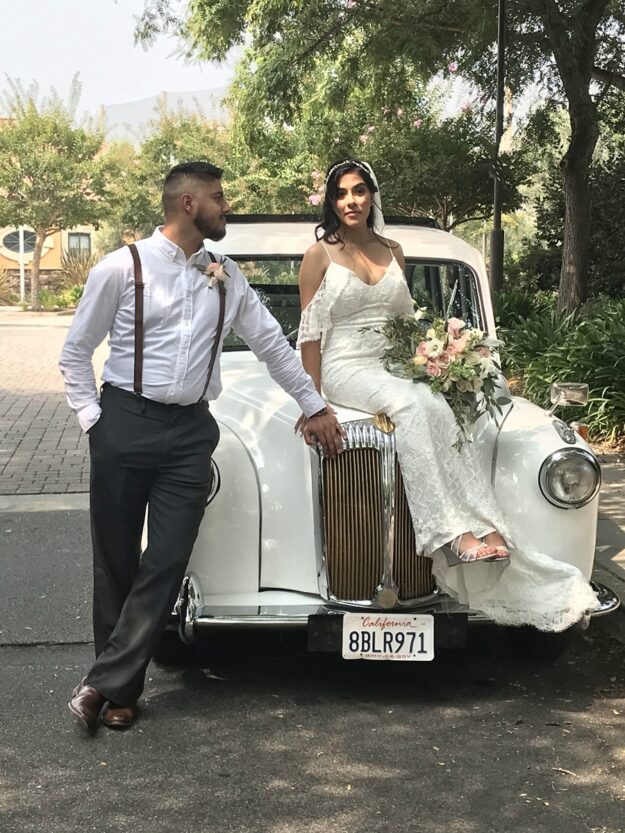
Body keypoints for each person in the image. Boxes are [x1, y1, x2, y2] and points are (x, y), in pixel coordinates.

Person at [60, 160, 344, 735]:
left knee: (166, 557)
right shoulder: (122, 268)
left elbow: (271, 344)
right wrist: (97, 422)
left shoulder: (226, 274)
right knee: (116, 560)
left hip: (190, 432)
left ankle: (100, 682)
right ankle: (123, 693)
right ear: (189, 204)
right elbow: (75, 352)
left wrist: (313, 406)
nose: (227, 205)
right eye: (219, 197)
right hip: (124, 423)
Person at [296, 158, 598, 629]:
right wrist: (313, 404)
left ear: (372, 195)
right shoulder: (318, 256)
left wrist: (439, 357)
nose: (350, 201)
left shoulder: (394, 250)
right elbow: (310, 336)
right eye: (341, 193)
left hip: (392, 362)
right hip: (346, 365)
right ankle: (448, 534)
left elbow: (403, 320)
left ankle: (484, 525)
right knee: (414, 402)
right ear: (332, 201)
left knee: (446, 401)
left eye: (358, 191)